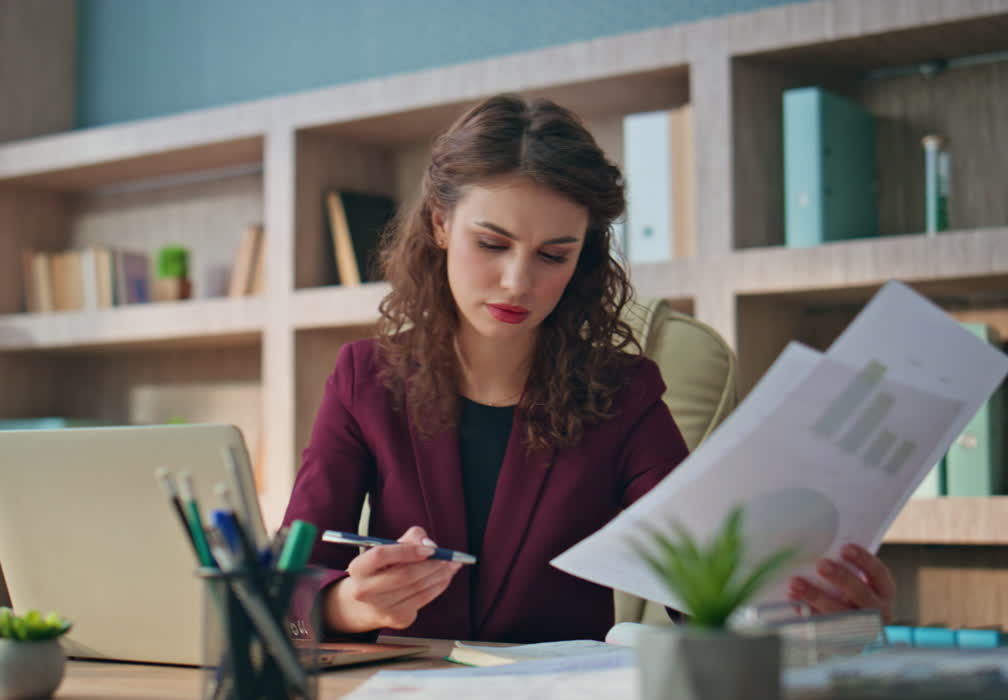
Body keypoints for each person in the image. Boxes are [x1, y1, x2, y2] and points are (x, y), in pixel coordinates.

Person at [280, 93, 895, 643]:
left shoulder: (625, 394)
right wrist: (350, 605)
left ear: (584, 258)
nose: (518, 282)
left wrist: (808, 614)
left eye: (553, 255)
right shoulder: (364, 378)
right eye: (491, 244)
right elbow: (279, 591)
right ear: (441, 224)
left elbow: (704, 589)